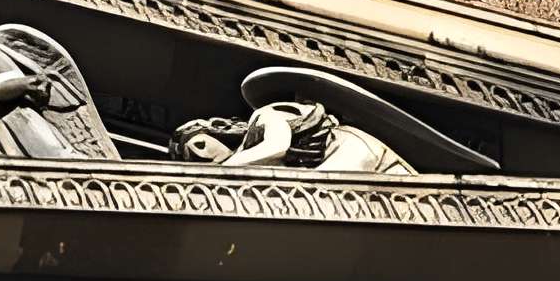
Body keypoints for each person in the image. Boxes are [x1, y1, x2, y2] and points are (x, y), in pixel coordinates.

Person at [171, 99, 415, 175]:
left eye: (199, 144)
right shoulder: (246, 155)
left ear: (217, 128)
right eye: (193, 159)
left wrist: (224, 171)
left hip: (347, 149)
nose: (201, 156)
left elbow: (278, 145)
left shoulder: (263, 116)